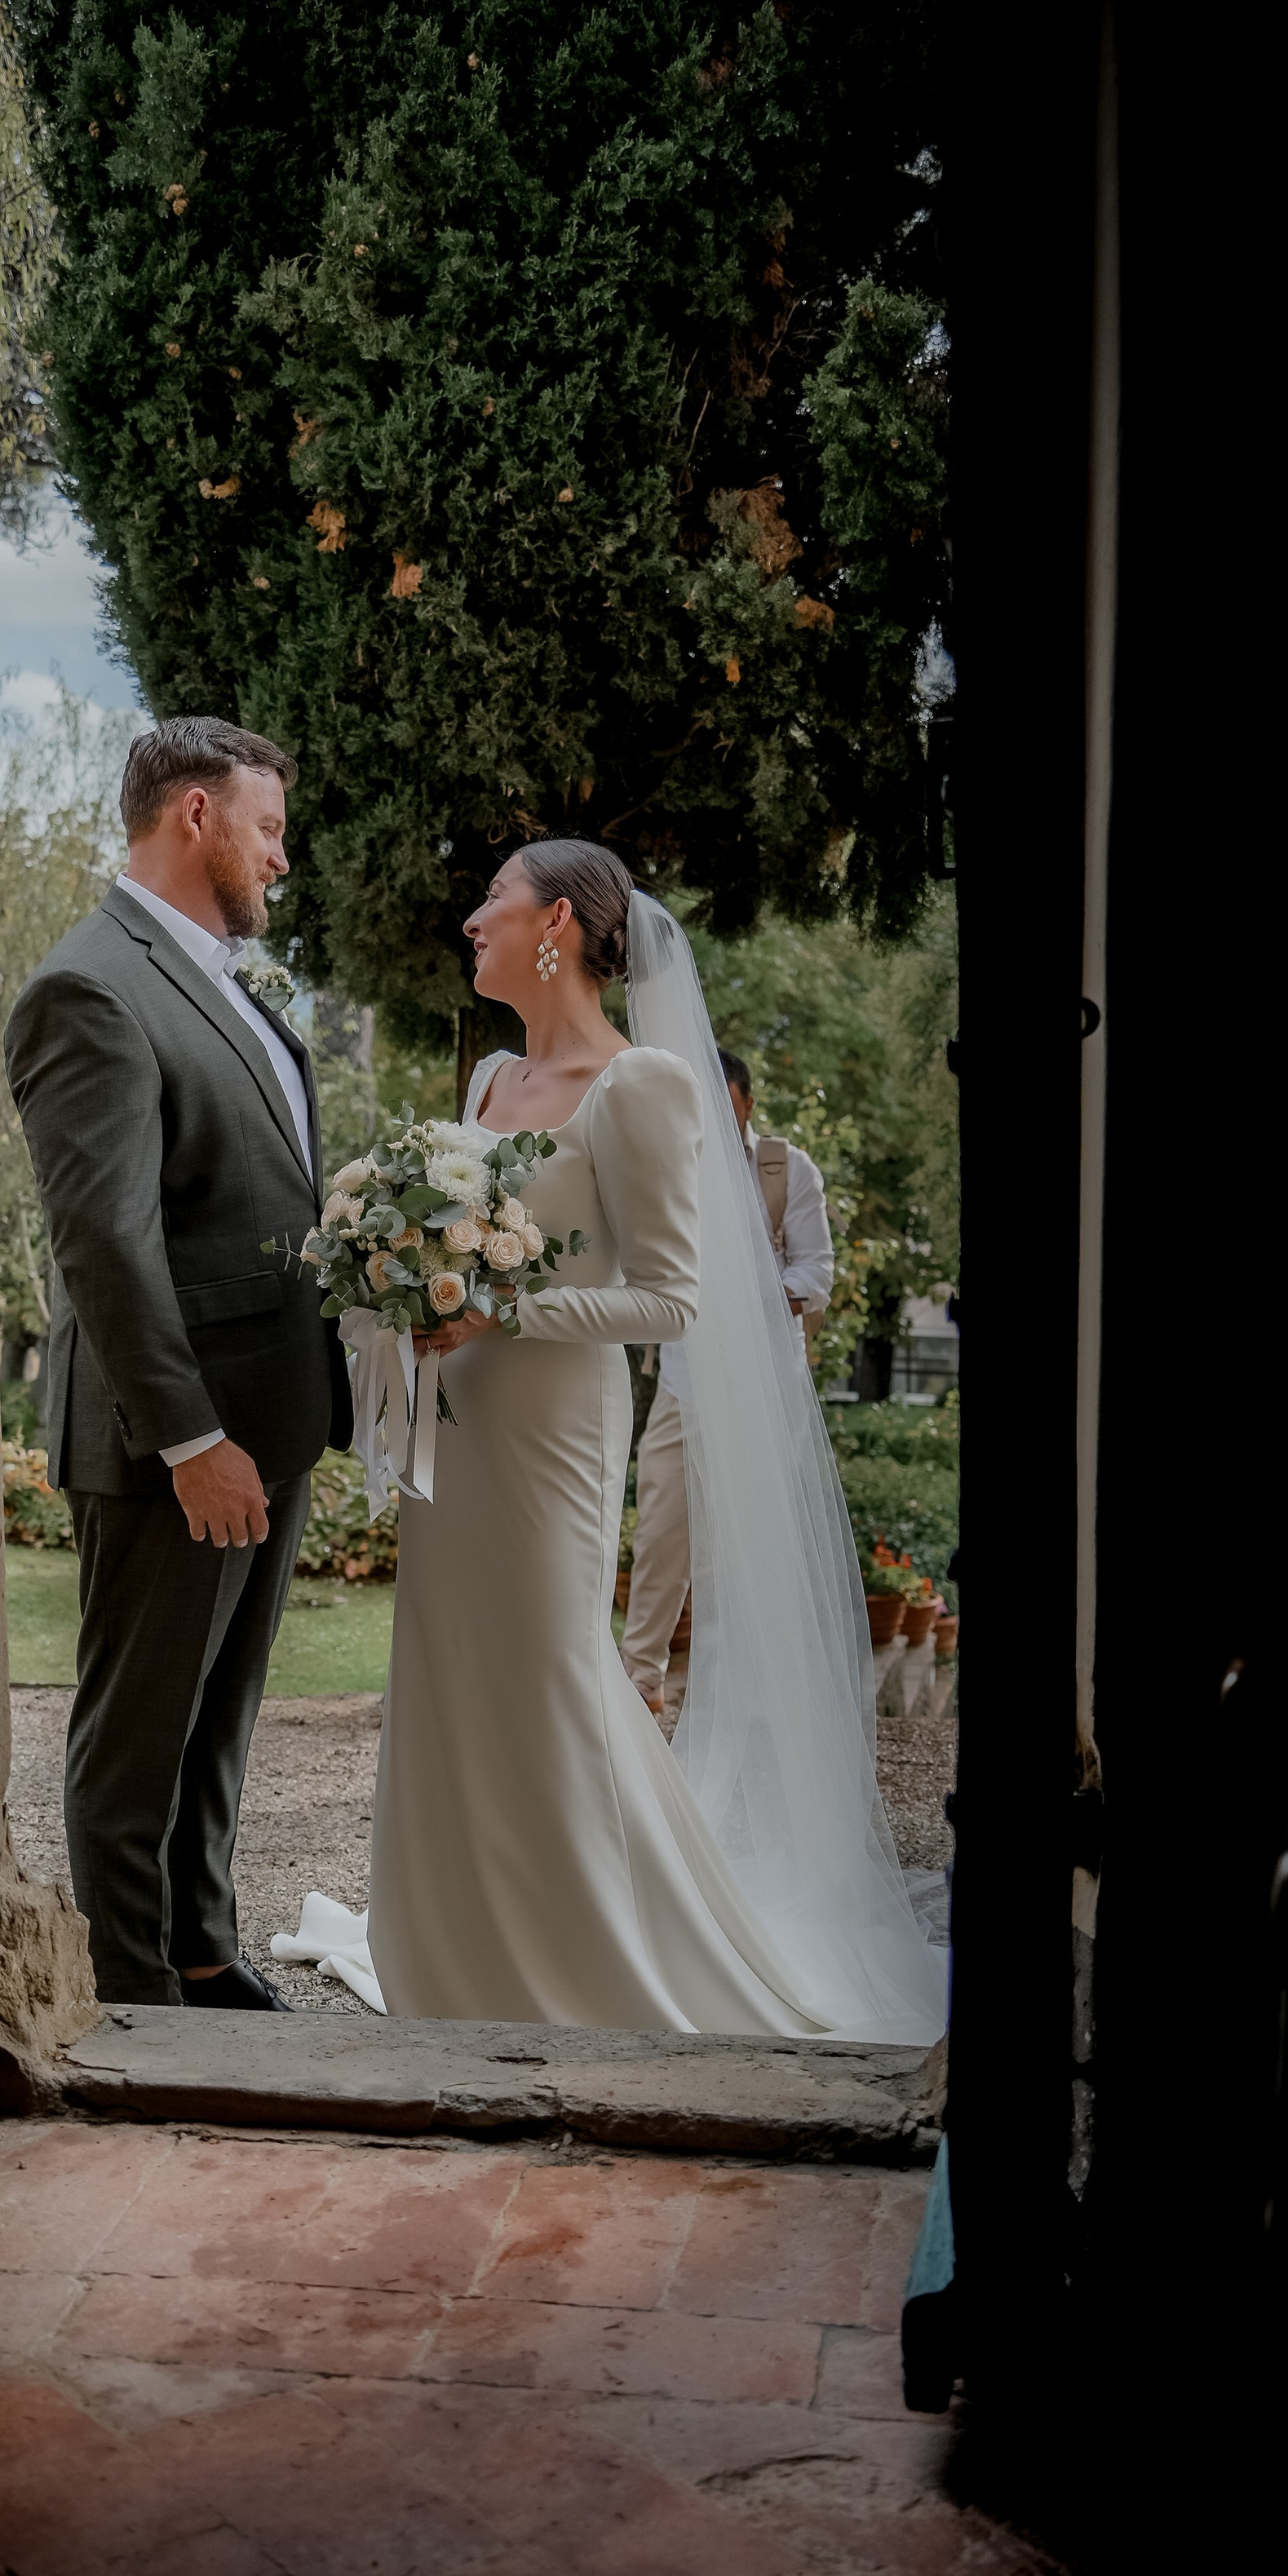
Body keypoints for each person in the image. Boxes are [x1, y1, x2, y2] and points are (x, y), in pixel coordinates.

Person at [351, 839, 945, 2046]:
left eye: (493, 901)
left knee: (549, 1673)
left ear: (556, 923)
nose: (471, 920)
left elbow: (671, 1301)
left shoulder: (645, 1087)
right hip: (460, 1433)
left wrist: (501, 1308)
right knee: (452, 1669)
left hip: (553, 1436)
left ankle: (594, 1953)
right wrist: (411, 1295)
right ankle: (454, 1946)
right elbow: (462, 1248)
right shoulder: (489, 1085)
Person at [3, 717, 350, 2007]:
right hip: (178, 1442)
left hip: (268, 1422)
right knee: (138, 1732)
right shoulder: (90, 983)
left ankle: (201, 1950)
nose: (281, 857)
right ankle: (133, 1995)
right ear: (194, 817)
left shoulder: (214, 975)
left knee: (218, 1723)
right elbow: (106, 1242)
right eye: (267, 828)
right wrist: (193, 1438)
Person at [622, 1050, 835, 1711]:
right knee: (660, 1527)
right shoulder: (667, 1168)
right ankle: (641, 1678)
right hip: (683, 1380)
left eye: (722, 1102)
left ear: (745, 1102)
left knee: (760, 1538)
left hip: (767, 1387)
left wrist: (740, 1295)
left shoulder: (785, 1168)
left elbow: (815, 1276)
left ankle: (761, 1695)